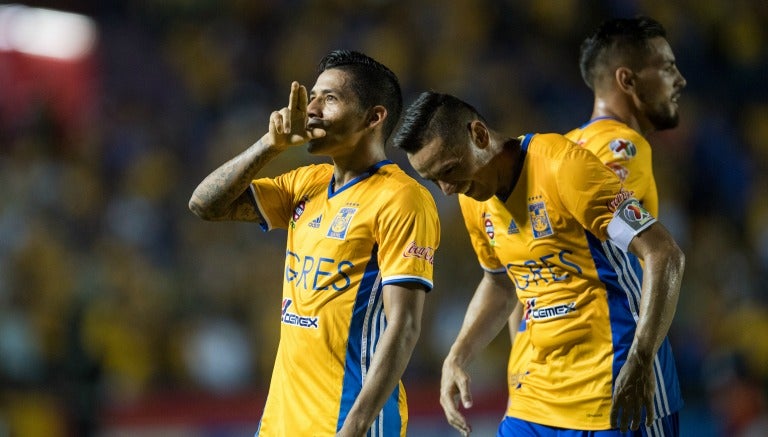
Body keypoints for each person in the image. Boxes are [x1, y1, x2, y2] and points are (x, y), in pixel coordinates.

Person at [392, 91, 685, 436]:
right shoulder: (474, 197)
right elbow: (500, 282)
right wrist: (458, 354)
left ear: (480, 135)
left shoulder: (566, 168)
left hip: (613, 386)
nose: (446, 189)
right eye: (433, 180)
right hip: (536, 398)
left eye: (450, 170)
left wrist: (642, 358)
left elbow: (663, 253)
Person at [189, 50, 440, 437]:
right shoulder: (306, 183)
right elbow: (205, 204)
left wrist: (355, 426)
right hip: (281, 422)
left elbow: (404, 325)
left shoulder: (402, 198)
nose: (312, 109)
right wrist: (268, 145)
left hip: (347, 422)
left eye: (330, 99)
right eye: (313, 96)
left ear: (374, 117)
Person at [506, 14, 689, 430]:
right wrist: (641, 359)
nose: (680, 80)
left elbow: (526, 271)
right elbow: (639, 246)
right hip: (613, 367)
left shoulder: (562, 149)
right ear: (627, 80)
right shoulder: (622, 146)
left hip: (550, 382)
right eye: (667, 67)